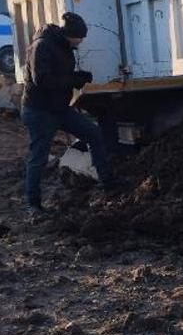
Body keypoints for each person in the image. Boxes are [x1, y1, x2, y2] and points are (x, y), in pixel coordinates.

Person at [21, 12, 120, 216]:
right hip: (39, 111)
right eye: (80, 38)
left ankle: (109, 183)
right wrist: (72, 80)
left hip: (59, 109)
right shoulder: (42, 46)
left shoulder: (64, 46)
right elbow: (43, 80)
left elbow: (59, 75)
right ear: (70, 35)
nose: (81, 42)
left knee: (93, 133)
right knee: (38, 157)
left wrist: (76, 76)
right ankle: (33, 204)